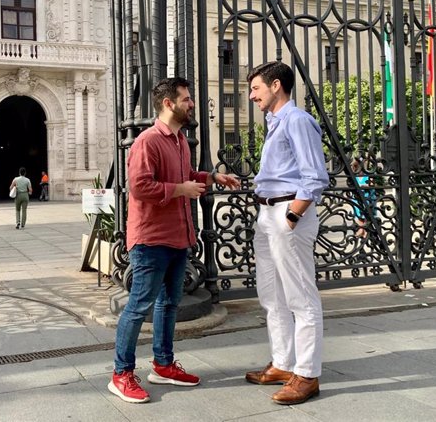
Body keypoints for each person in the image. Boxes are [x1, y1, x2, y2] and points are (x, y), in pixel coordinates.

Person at [108, 77, 240, 404]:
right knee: (139, 306)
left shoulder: (180, 140)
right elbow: (139, 187)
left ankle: (163, 364)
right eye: (186, 99)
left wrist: (211, 177)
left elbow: (184, 177)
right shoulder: (147, 141)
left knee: (169, 304)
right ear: (169, 103)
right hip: (151, 239)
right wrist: (181, 190)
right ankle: (121, 373)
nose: (191, 104)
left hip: (178, 237)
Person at [245, 61, 329, 405]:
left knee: (300, 297)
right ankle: (282, 363)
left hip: (286, 213)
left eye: (255, 89)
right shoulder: (275, 122)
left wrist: (293, 215)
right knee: (271, 294)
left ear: (276, 85)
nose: (252, 96)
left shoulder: (297, 120)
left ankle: (307, 374)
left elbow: (315, 175)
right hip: (267, 214)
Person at [351, 159, 373, 239]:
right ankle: (362, 229)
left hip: (367, 198)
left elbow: (372, 185)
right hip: (357, 199)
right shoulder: (354, 177)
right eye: (356, 168)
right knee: (357, 215)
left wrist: (366, 186)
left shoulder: (368, 176)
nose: (358, 170)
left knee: (366, 214)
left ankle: (363, 230)